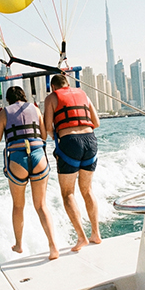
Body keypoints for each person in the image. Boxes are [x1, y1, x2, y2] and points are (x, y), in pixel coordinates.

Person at [0, 86, 59, 260]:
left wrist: (1, 119)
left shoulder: (4, 113)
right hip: (38, 158)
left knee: (18, 206)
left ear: (8, 99)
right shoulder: (35, 109)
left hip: (17, 161)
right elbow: (43, 135)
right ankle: (53, 246)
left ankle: (19, 245)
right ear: (23, 96)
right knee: (41, 206)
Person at [43, 74, 102, 252]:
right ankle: (96, 234)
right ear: (68, 84)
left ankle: (81, 237)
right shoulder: (83, 93)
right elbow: (96, 123)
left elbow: (47, 128)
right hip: (90, 140)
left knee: (68, 193)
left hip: (70, 142)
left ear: (53, 87)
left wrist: (58, 136)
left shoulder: (51, 97)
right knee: (87, 190)